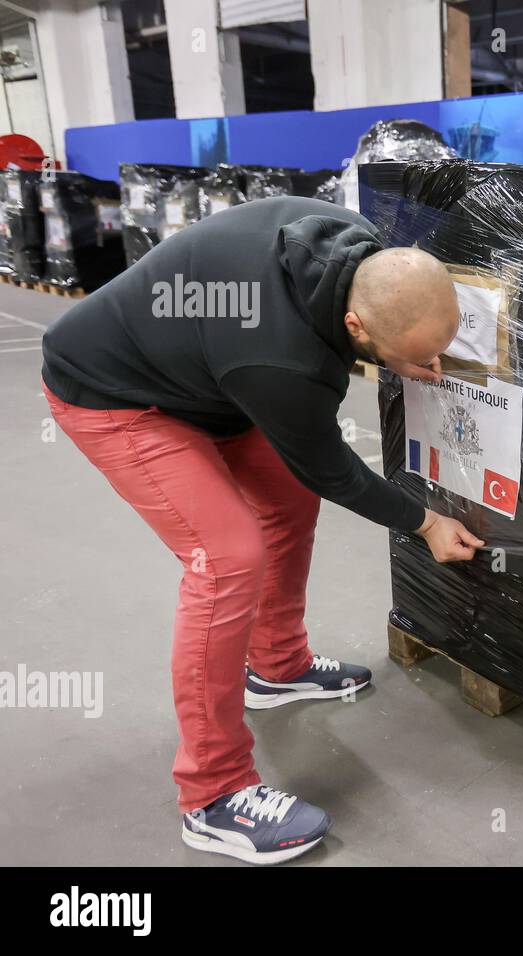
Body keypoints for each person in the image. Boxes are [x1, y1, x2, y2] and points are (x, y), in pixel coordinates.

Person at [41, 196, 484, 864]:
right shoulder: (284, 364)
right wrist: (424, 521)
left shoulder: (355, 245)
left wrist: (409, 352)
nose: (433, 368)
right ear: (356, 326)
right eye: (415, 358)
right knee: (227, 559)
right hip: (117, 394)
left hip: (206, 375)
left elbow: (309, 462)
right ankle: (212, 796)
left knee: (285, 499)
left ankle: (276, 668)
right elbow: (333, 470)